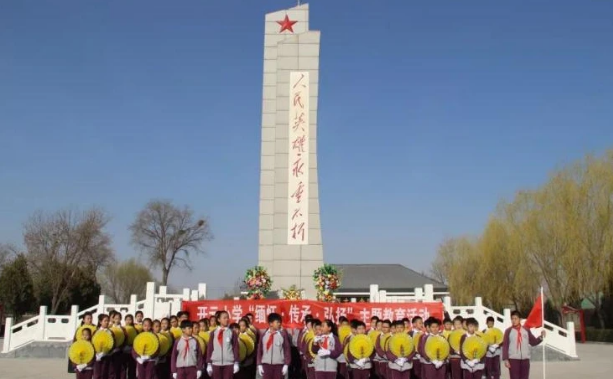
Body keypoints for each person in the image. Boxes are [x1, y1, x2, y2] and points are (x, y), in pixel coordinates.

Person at [502, 311, 545, 379]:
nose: (514, 320)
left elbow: (533, 342)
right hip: (513, 359)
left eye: (515, 318)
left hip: (525, 359)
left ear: (520, 319)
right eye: (512, 319)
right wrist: (506, 359)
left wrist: (541, 337)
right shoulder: (508, 331)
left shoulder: (526, 330)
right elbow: (505, 345)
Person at [206, 310, 240, 379]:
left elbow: (235, 348)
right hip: (216, 364)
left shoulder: (232, 332)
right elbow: (210, 348)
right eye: (224, 318)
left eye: (227, 317)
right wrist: (209, 363)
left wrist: (236, 362)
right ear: (219, 320)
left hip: (229, 364)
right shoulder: (213, 333)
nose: (227, 319)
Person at [257, 313, 291, 379]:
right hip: (266, 365)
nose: (279, 324)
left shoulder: (282, 335)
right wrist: (259, 364)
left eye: (280, 322)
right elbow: (259, 351)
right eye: (277, 322)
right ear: (271, 323)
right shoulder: (264, 335)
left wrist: (286, 364)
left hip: (279, 366)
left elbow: (287, 350)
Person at [93, 314, 113, 379]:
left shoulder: (110, 332)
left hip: (107, 356)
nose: (107, 322)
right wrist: (97, 353)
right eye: (105, 321)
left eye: (108, 321)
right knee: (97, 374)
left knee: (106, 374)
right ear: (100, 322)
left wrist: (106, 352)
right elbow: (93, 343)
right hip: (97, 356)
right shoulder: (96, 332)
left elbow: (113, 343)